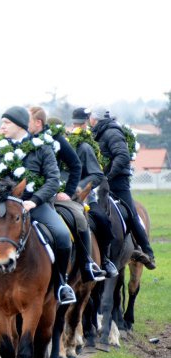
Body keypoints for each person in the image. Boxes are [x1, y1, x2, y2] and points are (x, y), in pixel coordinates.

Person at [0, 106, 76, 310]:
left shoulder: (42, 148)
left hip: (33, 204)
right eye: (2, 122)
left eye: (6, 123)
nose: (2, 126)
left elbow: (53, 180)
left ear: (18, 124)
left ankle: (62, 284)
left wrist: (34, 200)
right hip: (2, 209)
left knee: (62, 236)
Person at [29, 106, 105, 282]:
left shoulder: (63, 142)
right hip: (28, 196)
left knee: (80, 217)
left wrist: (70, 191)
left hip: (59, 193)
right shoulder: (22, 141)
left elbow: (77, 166)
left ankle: (88, 264)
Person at [90, 107, 155, 269]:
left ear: (95, 119)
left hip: (117, 182)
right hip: (102, 182)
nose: (88, 120)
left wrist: (108, 176)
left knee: (131, 214)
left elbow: (122, 155)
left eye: (90, 116)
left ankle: (146, 251)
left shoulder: (111, 132)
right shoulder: (97, 133)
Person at [68, 107, 118, 278]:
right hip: (60, 196)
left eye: (77, 124)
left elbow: (96, 175)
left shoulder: (86, 146)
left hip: (85, 197)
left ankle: (103, 260)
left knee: (103, 223)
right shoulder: (64, 143)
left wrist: (78, 188)